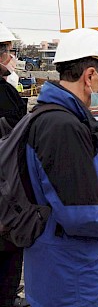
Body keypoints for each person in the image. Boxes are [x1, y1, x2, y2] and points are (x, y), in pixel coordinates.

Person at [23, 28, 98, 306]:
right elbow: (78, 216)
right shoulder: (63, 128)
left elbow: (67, 196)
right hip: (72, 282)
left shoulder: (51, 117)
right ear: (90, 76)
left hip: (61, 272)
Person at [0, 22, 28, 307]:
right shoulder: (5, 92)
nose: (12, 56)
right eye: (8, 51)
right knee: (10, 246)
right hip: (5, 186)